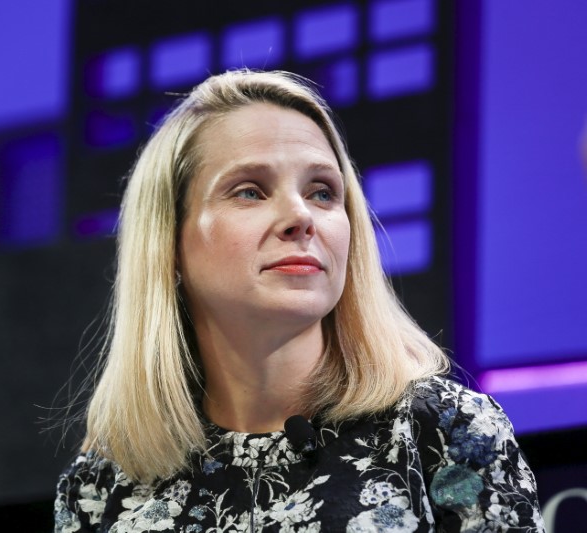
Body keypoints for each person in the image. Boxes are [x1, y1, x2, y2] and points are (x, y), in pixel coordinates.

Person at [54, 70, 544, 532]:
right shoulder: (100, 486)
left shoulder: (445, 432)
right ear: (169, 242)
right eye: (249, 191)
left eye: (323, 192)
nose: (300, 216)